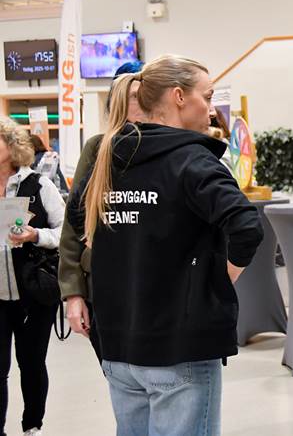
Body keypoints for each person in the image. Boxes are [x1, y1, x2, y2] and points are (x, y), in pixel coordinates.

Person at [66, 54, 264, 435]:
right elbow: (246, 224)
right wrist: (222, 277)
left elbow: (78, 221)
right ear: (178, 96)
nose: (210, 109)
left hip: (119, 347)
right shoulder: (192, 160)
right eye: (206, 97)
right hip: (179, 346)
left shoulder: (109, 154)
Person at [59, 61, 145, 364]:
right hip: (103, 285)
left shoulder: (172, 148)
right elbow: (73, 227)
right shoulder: (97, 148)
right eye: (131, 97)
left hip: (153, 287)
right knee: (120, 380)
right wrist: (73, 293)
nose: (138, 103)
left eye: (144, 95)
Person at [0, 117, 65, 436]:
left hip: (33, 291)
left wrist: (35, 235)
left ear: (12, 146)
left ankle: (32, 426)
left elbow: (65, 231)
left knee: (31, 363)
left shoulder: (38, 184)